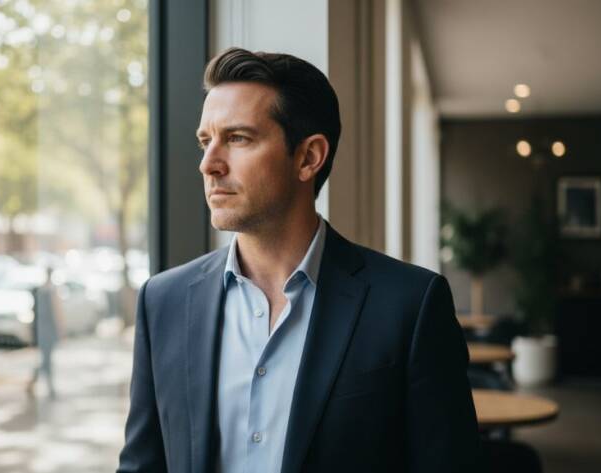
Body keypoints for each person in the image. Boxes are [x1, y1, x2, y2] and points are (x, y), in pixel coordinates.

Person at [117, 48, 482, 473]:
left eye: (237, 138)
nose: (208, 164)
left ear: (309, 157)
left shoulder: (410, 305)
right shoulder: (163, 301)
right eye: (205, 141)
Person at [26, 266, 63, 399]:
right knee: (47, 359)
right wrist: (60, 329)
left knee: (46, 358)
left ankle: (38, 382)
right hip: (49, 329)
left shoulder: (40, 290)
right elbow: (56, 311)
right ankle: (45, 385)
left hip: (41, 329)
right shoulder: (52, 290)